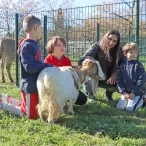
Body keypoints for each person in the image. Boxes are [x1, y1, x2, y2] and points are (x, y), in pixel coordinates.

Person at [0, 15, 53, 119]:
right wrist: (45, 65)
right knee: (30, 115)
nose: (41, 31)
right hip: (29, 86)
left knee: (35, 111)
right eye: (41, 28)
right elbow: (28, 67)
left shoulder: (35, 44)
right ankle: (2, 105)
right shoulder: (27, 46)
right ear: (36, 27)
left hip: (36, 85)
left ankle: (8, 99)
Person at [78, 29, 123, 101]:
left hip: (110, 79)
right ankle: (91, 96)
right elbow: (85, 58)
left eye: (114, 41)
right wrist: (85, 61)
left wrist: (116, 72)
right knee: (88, 69)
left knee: (125, 76)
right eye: (110, 39)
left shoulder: (119, 50)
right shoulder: (96, 46)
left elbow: (125, 64)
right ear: (106, 37)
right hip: (96, 77)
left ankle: (109, 93)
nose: (111, 42)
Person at [44, 36, 87, 105]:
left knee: (83, 99)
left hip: (65, 87)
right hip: (53, 88)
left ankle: (65, 99)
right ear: (52, 47)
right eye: (58, 45)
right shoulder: (48, 60)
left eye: (63, 45)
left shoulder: (67, 61)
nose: (62, 47)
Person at [116, 42, 146, 111]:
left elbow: (141, 81)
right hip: (126, 92)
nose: (134, 54)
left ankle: (142, 99)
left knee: (129, 109)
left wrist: (134, 92)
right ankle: (129, 100)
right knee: (120, 108)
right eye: (131, 52)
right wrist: (123, 92)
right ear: (125, 54)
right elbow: (119, 80)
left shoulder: (139, 65)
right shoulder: (122, 66)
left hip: (137, 92)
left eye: (135, 52)